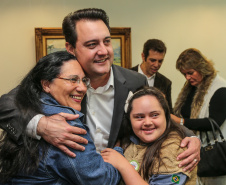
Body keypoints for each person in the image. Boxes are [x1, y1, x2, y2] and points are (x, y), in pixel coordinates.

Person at [0, 8, 200, 171]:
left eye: (106, 41)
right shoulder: (57, 79)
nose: (103, 51)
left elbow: (161, 115)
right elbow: (6, 105)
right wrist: (41, 126)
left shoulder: (134, 81)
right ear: (70, 48)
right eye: (92, 44)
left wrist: (190, 136)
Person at [0, 51, 123, 184]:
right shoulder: (65, 125)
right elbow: (102, 180)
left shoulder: (28, 105)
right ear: (46, 85)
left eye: (84, 81)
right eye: (73, 80)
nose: (82, 88)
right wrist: (118, 153)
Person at [101, 87, 197, 185]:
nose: (147, 122)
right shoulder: (132, 140)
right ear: (129, 120)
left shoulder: (173, 150)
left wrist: (122, 165)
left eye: (154, 115)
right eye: (139, 117)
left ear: (166, 116)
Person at [171, 48, 226, 185]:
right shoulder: (192, 86)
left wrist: (180, 121)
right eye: (184, 74)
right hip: (195, 151)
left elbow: (213, 122)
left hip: (213, 155)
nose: (187, 78)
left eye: (190, 73)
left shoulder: (220, 88)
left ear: (201, 68)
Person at [130, 39, 173, 112]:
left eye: (160, 61)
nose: (156, 65)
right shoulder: (126, 76)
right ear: (143, 57)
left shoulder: (166, 83)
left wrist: (163, 103)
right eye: (153, 60)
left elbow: (169, 113)